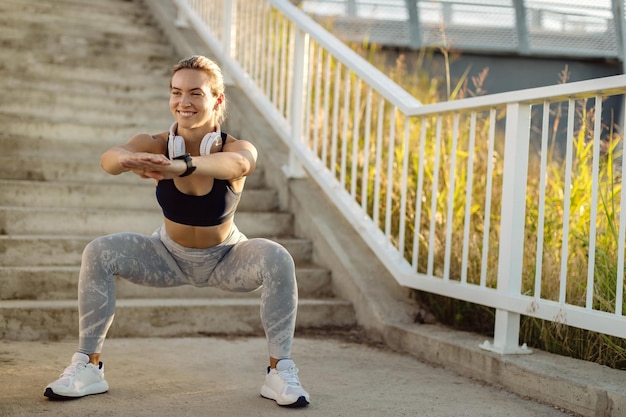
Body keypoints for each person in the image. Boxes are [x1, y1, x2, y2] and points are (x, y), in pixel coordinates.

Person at [43, 55, 310, 408]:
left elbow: (240, 164)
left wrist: (181, 165)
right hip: (166, 256)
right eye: (176, 92)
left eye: (196, 93)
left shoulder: (234, 148)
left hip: (226, 259)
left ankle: (280, 372)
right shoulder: (154, 142)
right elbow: (109, 158)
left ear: (217, 100)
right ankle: (88, 367)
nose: (183, 102)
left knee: (277, 256)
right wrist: (129, 160)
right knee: (99, 250)